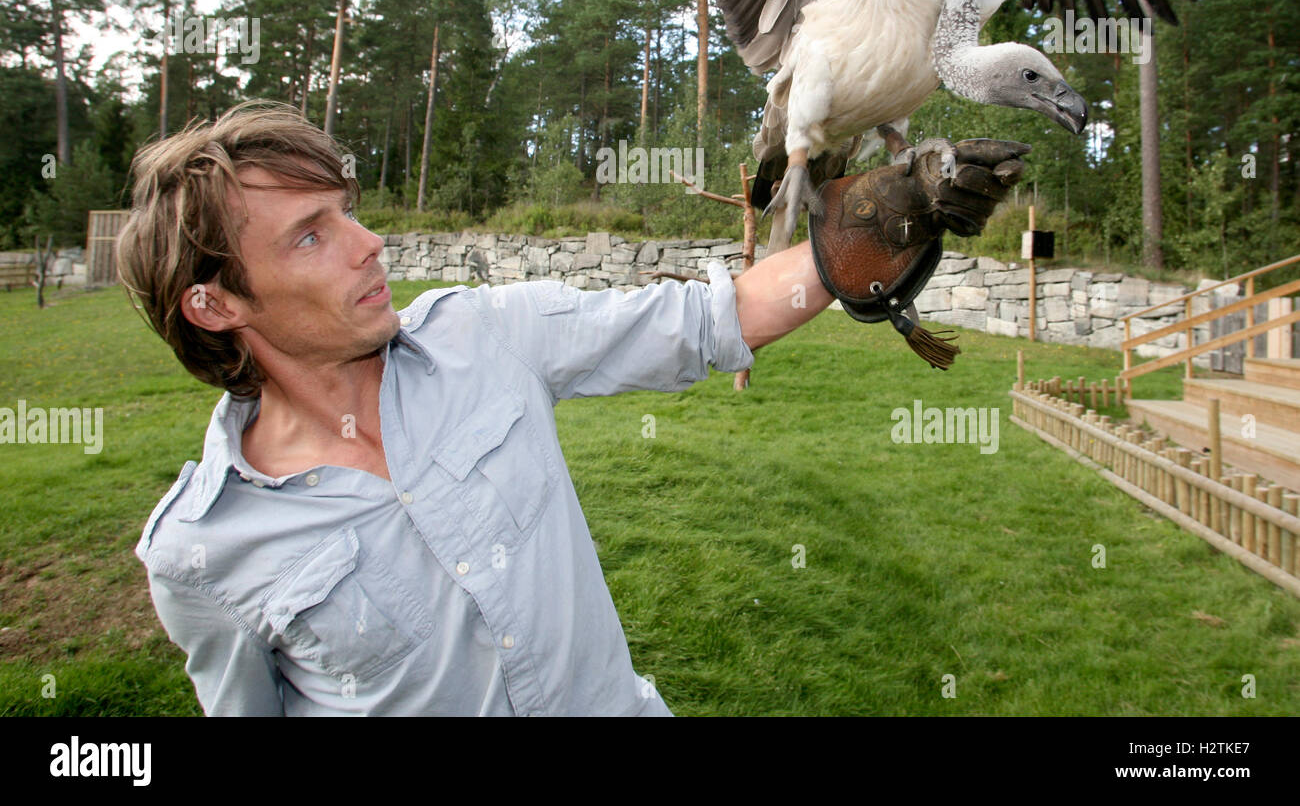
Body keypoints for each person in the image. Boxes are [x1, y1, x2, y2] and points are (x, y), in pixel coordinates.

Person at [121, 100, 1025, 716]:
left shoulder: (483, 337)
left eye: (346, 211)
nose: (370, 244)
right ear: (217, 304)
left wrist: (886, 209)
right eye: (312, 235)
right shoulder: (201, 556)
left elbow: (713, 317)